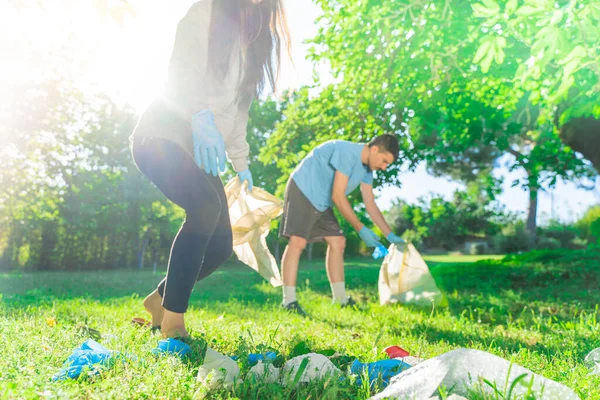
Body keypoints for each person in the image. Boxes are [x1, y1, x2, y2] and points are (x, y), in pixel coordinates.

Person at [130, 0, 290, 338]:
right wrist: (199, 113)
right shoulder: (208, 10)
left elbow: (237, 117)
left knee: (220, 245)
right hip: (161, 134)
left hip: (198, 149)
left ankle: (158, 300)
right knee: (204, 206)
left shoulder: (256, 43)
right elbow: (182, 66)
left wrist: (241, 163)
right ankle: (173, 322)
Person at [279, 135, 405, 315]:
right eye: (384, 161)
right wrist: (361, 229)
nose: (384, 167)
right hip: (303, 188)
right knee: (298, 242)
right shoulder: (347, 152)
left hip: (322, 201)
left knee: (338, 242)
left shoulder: (367, 171)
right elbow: (338, 196)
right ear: (375, 149)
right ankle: (288, 302)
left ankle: (340, 299)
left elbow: (370, 204)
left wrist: (390, 235)